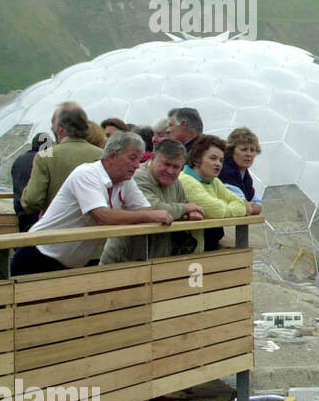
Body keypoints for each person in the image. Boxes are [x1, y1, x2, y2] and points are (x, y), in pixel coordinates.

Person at [11, 132, 174, 276]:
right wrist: (148, 215)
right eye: (132, 158)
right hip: (37, 256)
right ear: (112, 156)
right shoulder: (87, 174)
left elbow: (146, 210)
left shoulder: (125, 181)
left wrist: (155, 214)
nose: (137, 165)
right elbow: (102, 216)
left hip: (70, 264)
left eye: (138, 160)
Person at [100, 139, 205, 264]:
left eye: (176, 167)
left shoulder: (175, 183)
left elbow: (184, 205)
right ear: (153, 158)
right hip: (123, 260)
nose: (170, 171)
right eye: (166, 164)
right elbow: (155, 209)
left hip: (157, 261)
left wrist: (189, 212)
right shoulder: (137, 177)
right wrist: (186, 209)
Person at [20, 103, 104, 216]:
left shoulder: (45, 157)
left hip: (56, 228)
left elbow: (32, 200)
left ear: (60, 129)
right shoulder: (102, 155)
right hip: (95, 227)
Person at [178, 134, 258, 251]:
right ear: (196, 159)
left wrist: (235, 206)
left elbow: (240, 204)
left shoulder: (214, 181)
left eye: (221, 160)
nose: (218, 164)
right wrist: (229, 205)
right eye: (213, 158)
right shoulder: (186, 180)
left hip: (206, 250)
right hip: (187, 255)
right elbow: (217, 210)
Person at [11, 132, 53, 232]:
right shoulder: (46, 160)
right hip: (40, 212)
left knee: (24, 241)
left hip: (21, 210)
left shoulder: (19, 160)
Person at [219, 127, 262, 206]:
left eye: (252, 150)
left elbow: (258, 204)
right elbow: (243, 206)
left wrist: (250, 206)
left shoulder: (245, 175)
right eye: (244, 149)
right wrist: (250, 206)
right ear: (231, 151)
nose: (248, 154)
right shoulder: (225, 172)